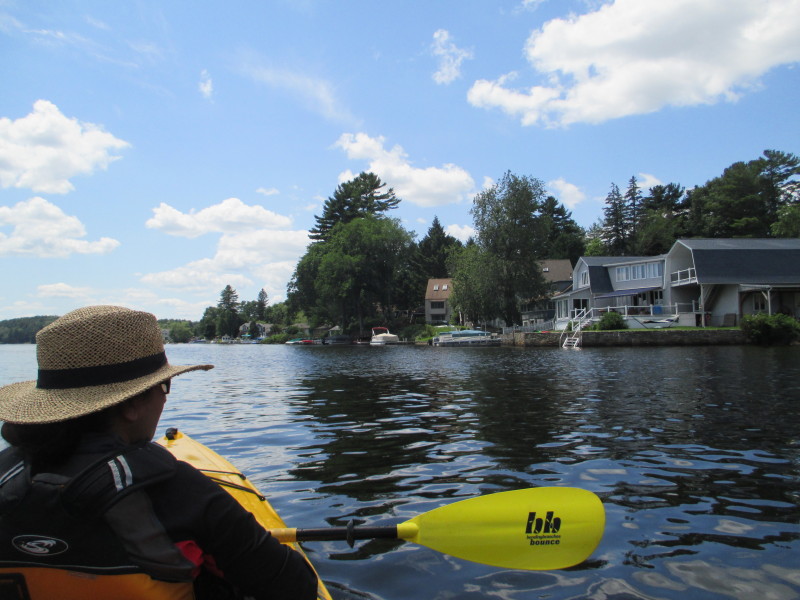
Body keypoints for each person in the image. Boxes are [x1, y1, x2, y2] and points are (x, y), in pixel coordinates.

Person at [0, 305, 318, 600]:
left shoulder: (7, 476)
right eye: (164, 386)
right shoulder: (179, 491)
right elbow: (296, 586)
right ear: (133, 404)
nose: (165, 400)